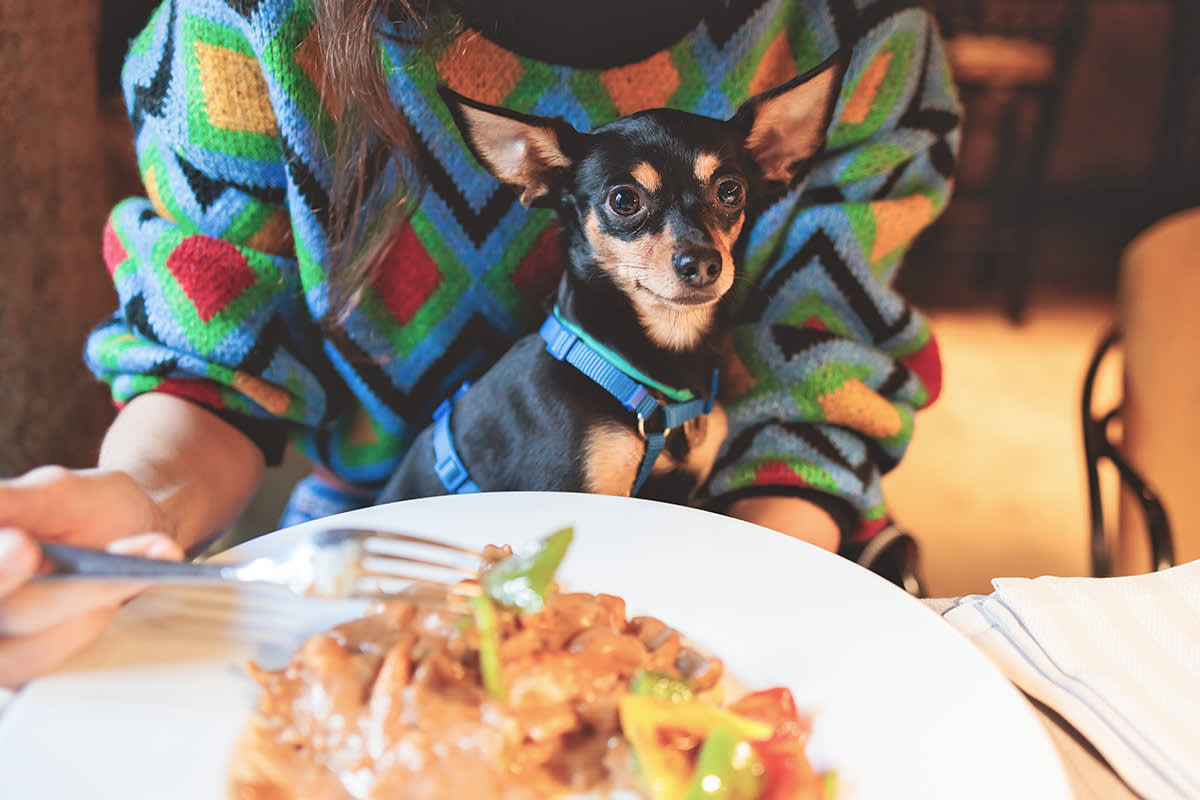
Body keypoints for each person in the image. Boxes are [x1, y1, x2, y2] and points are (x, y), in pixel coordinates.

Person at [0, 0, 961, 687]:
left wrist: (745, 645)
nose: (694, 245)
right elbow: (211, 367)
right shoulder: (248, 20)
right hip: (374, 538)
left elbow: (818, 386)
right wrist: (140, 507)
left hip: (753, 533)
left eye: (723, 201)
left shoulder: (860, 38)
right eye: (631, 207)